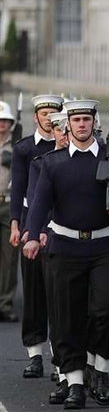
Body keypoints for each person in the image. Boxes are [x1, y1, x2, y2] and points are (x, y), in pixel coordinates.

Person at [23, 99, 109, 409]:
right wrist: (32, 237)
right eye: (77, 120)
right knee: (66, 317)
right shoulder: (53, 162)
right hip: (65, 246)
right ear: (68, 125)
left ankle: (100, 370)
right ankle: (73, 383)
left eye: (87, 119)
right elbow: (39, 205)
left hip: (104, 246)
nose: (82, 125)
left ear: (94, 123)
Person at [10, 93, 63, 378]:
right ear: (37, 117)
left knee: (59, 292)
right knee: (33, 291)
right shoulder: (25, 149)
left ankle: (60, 353)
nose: (49, 119)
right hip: (32, 221)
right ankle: (34, 353)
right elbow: (18, 189)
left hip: (60, 223)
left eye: (54, 114)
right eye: (44, 114)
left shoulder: (66, 149)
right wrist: (17, 224)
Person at [0, 101, 18, 323]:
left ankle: (5, 303)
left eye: (5, 120)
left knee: (9, 257)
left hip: (8, 201)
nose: (2, 124)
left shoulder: (17, 146)